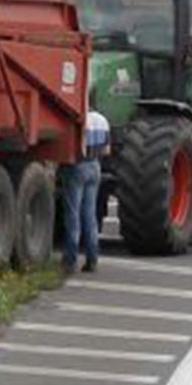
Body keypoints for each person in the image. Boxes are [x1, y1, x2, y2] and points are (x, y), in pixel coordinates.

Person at [60, 107, 110, 274]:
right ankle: (92, 258)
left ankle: (70, 259)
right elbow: (106, 150)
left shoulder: (80, 120)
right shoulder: (102, 120)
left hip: (78, 166)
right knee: (89, 215)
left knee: (73, 215)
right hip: (95, 166)